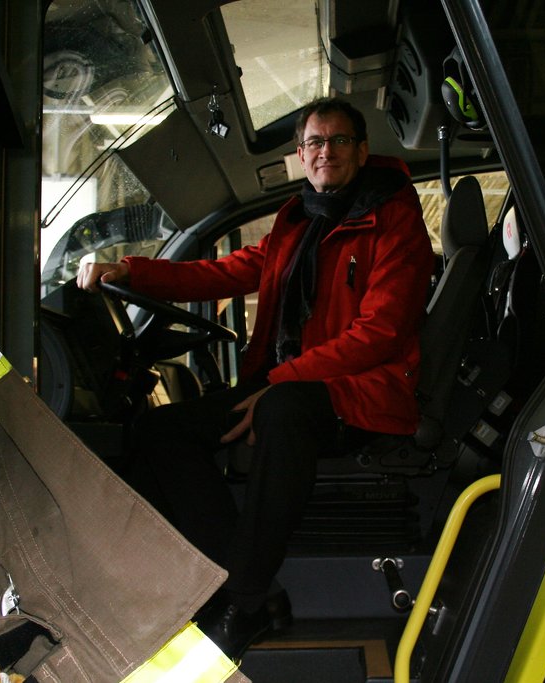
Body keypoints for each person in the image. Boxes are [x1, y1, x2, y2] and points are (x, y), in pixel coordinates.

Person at [77, 97, 434, 659]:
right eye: (315, 142)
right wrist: (131, 271)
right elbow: (224, 271)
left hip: (361, 392)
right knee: (160, 431)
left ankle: (242, 605)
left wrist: (282, 379)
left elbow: (380, 333)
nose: (326, 151)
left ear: (363, 151)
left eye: (339, 141)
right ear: (301, 155)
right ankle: (239, 584)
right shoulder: (298, 221)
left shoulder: (394, 218)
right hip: (290, 382)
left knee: (281, 409)